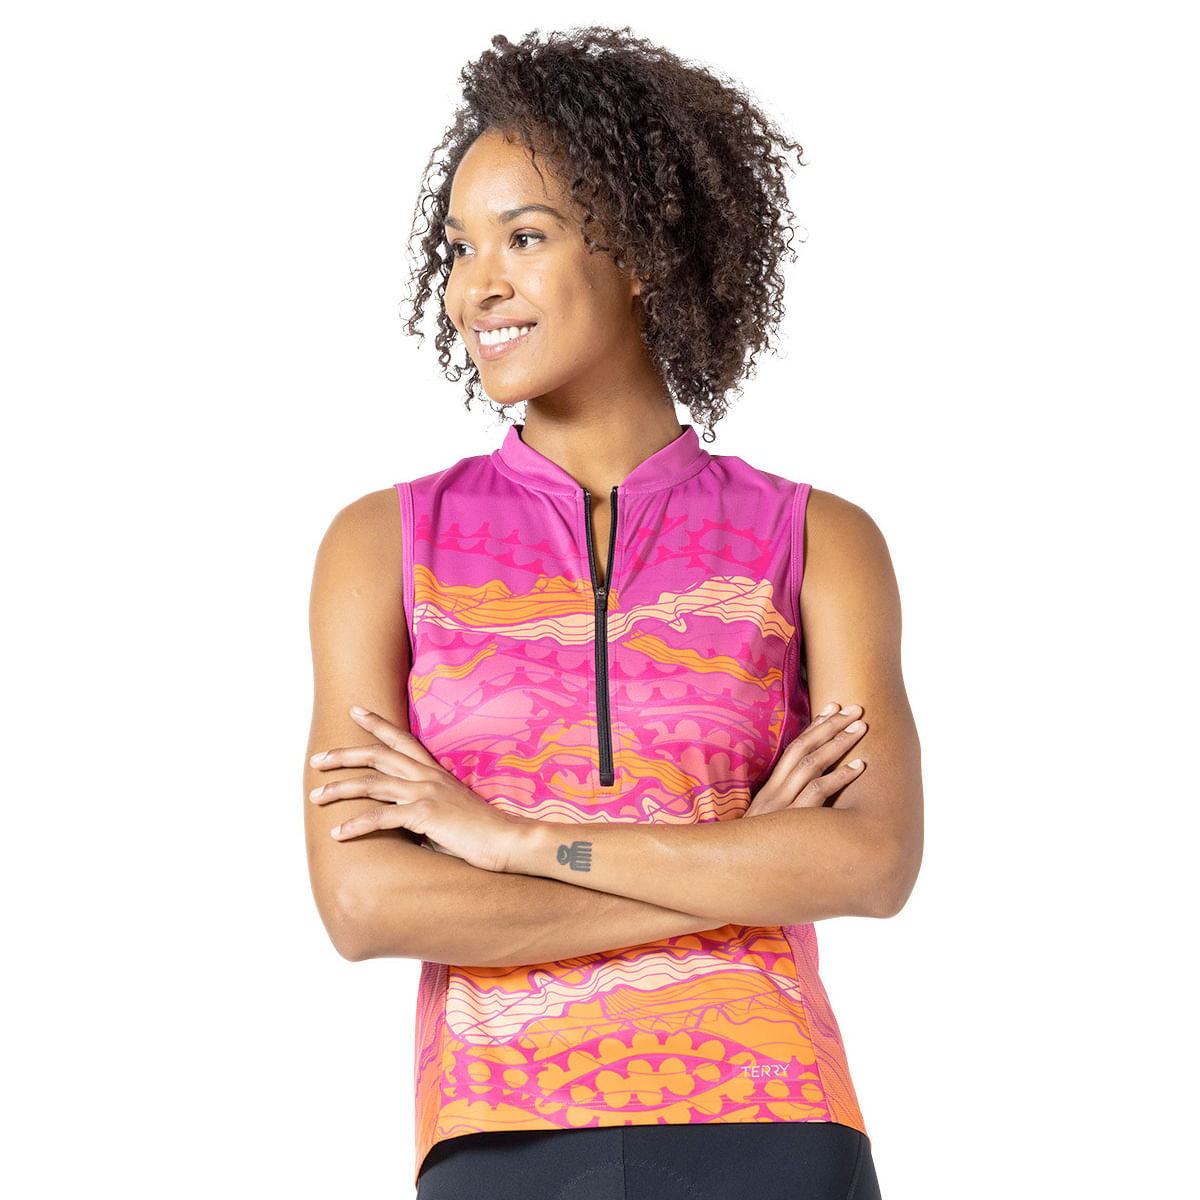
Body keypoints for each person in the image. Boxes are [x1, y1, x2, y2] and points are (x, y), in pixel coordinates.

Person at [304, 25, 922, 1200]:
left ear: (637, 249)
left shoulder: (816, 540)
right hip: (501, 1134)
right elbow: (365, 901)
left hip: (773, 1116)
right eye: (460, 247)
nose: (476, 285)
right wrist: (738, 865)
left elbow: (871, 861)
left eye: (525, 237)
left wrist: (513, 843)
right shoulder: (384, 546)